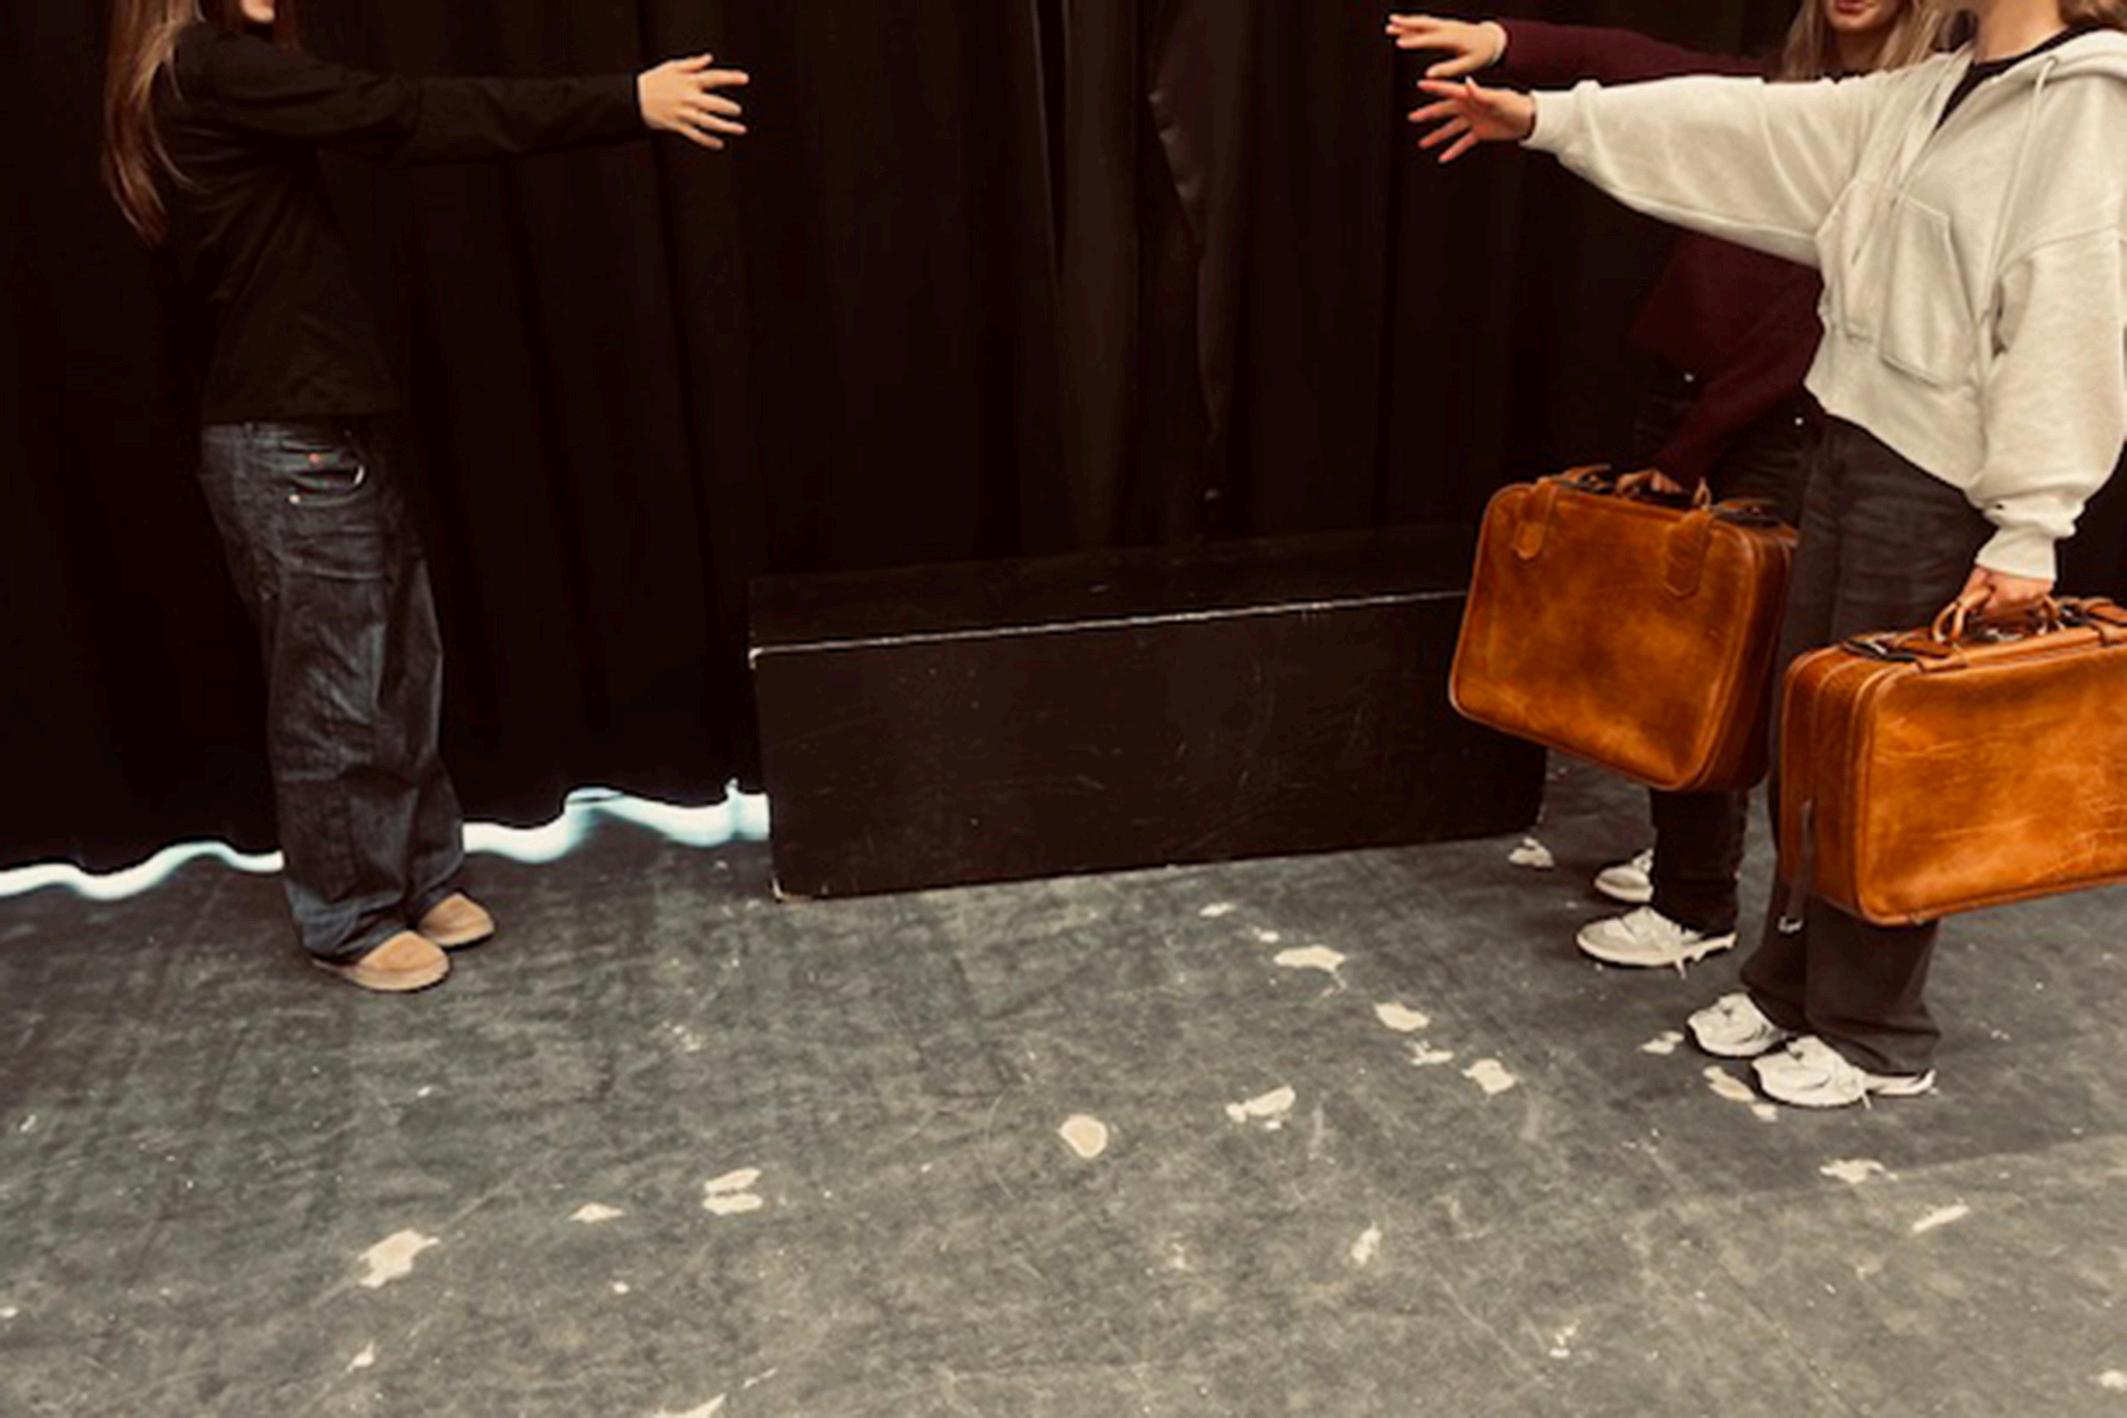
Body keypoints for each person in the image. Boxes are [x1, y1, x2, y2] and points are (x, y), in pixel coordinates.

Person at [1409, 0, 2127, 1107]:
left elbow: (2071, 315)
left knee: (1877, 767)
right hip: (1850, 446)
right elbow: (1749, 128)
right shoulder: (1932, 91)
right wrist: (1549, 121)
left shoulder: (2081, 105)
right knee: (1809, 749)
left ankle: (1876, 1031)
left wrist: (2031, 524)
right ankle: (1791, 990)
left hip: (1936, 483)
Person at [102, 0, 750, 992]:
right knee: (337, 693)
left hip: (326, 428)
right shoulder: (210, 69)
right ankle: (350, 914)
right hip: (286, 442)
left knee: (401, 667)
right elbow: (405, 116)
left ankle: (416, 872)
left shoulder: (219, 71)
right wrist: (627, 101)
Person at [1387, 2, 1949, 976]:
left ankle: (1695, 902)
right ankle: (1690, 855)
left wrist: (1690, 450)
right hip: (1693, 403)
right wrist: (1508, 45)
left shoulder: (1900, 130)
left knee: (1708, 656)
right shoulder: (1771, 89)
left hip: (1772, 425)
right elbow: (1636, 63)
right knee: (1673, 654)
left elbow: (1802, 333)